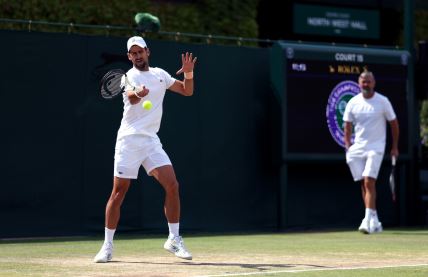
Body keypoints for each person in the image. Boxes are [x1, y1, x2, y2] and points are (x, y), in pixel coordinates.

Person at [94, 36, 197, 262]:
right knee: (118, 193)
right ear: (129, 56)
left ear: (147, 52)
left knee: (172, 185)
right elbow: (130, 98)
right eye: (133, 53)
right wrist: (138, 93)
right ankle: (107, 246)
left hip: (151, 141)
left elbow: (187, 91)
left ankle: (173, 239)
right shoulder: (128, 77)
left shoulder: (160, 75)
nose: (138, 56)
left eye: (140, 51)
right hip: (129, 141)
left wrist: (189, 73)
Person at [343, 70, 399, 234]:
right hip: (358, 148)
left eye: (368, 81)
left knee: (368, 181)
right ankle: (374, 220)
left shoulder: (383, 101)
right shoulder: (353, 102)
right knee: (364, 183)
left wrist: (394, 146)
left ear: (374, 83)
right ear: (359, 83)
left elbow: (394, 124)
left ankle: (367, 220)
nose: (366, 84)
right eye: (363, 81)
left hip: (376, 147)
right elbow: (347, 124)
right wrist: (348, 145)